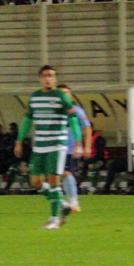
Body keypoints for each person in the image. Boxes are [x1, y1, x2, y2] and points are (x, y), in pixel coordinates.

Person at [15, 66, 83, 229]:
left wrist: (78, 142)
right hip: (39, 145)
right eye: (45, 76)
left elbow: (73, 119)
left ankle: (54, 220)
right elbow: (27, 121)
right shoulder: (34, 97)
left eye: (51, 76)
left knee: (53, 180)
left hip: (57, 144)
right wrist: (19, 140)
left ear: (55, 79)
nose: (48, 78)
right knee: (35, 182)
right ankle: (62, 204)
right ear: (40, 78)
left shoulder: (61, 96)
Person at [57, 83, 93, 214]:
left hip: (70, 149)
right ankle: (67, 202)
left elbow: (87, 128)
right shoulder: (54, 111)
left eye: (66, 93)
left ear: (70, 95)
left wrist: (87, 146)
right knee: (57, 175)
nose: (64, 95)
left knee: (66, 172)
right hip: (55, 148)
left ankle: (74, 203)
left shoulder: (76, 111)